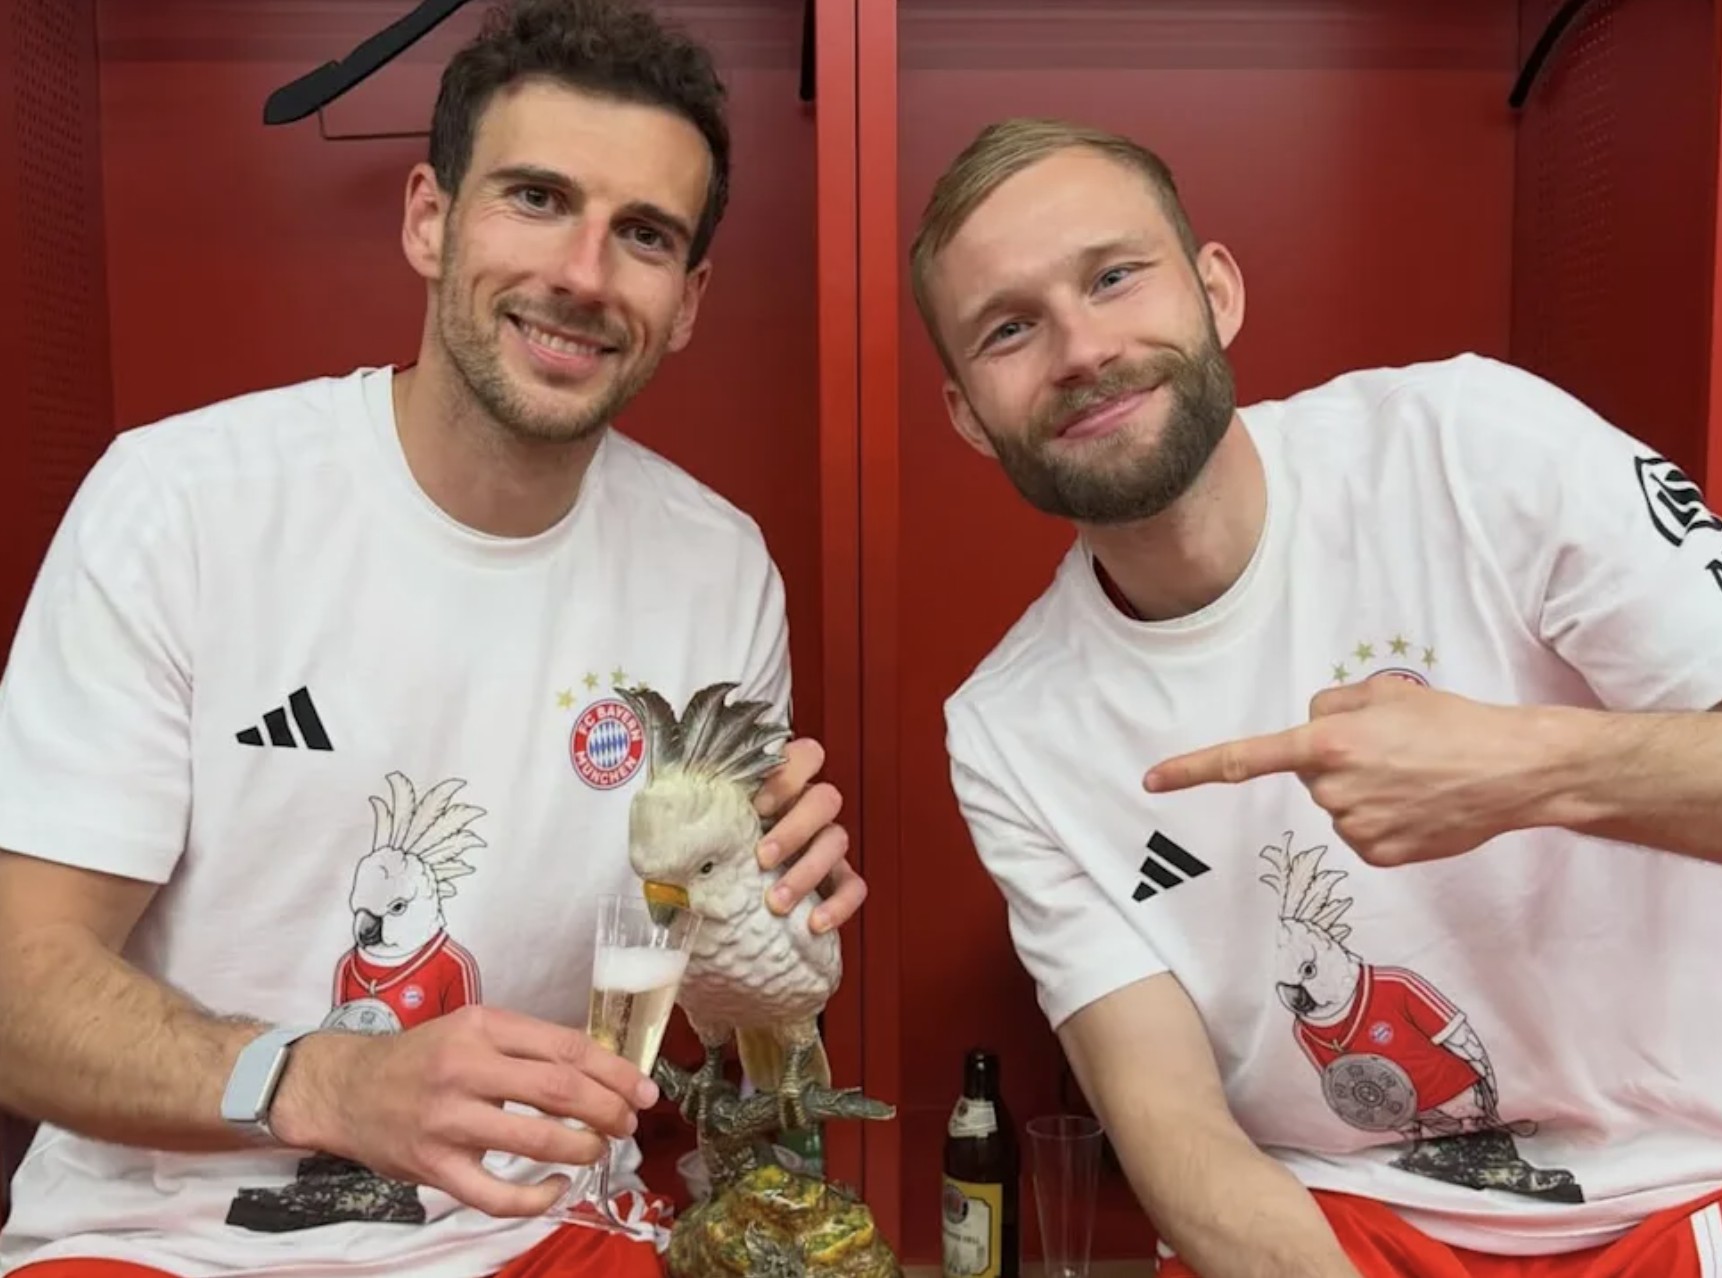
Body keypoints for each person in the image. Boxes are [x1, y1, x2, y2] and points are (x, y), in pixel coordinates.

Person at [0, 2, 866, 1276]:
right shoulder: (180, 502)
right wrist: (324, 1081)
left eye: (643, 234)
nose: (583, 274)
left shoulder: (718, 570)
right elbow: (20, 987)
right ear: (428, 218)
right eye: (536, 198)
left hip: (545, 1225)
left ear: (687, 302)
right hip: (165, 1240)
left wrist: (773, 940)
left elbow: (713, 1016)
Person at [911, 115, 1722, 1278]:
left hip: (1684, 1184)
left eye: (1115, 276)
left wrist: (1531, 770)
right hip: (1328, 1224)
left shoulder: (1473, 443)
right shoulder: (1008, 731)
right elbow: (1178, 1136)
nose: (1082, 348)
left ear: (1217, 292)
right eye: (1010, 328)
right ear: (967, 417)